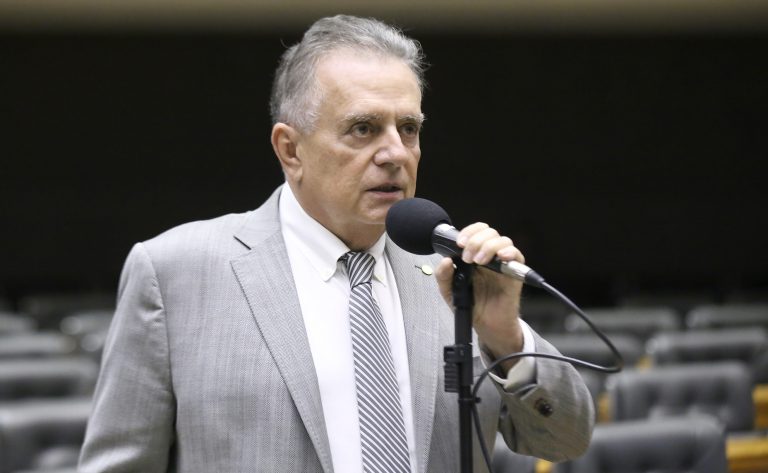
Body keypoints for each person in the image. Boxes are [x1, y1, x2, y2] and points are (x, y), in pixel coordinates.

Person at [79, 14, 593, 473]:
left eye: (408, 128)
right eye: (363, 128)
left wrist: (505, 337)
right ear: (290, 149)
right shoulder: (175, 271)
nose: (395, 153)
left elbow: (566, 440)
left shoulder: (454, 274)